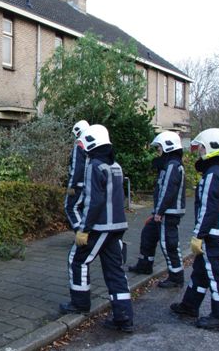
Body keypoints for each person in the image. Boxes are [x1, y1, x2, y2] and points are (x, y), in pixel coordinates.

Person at [59, 124, 134, 333]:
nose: (82, 149)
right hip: (117, 226)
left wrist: (84, 229)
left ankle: (80, 304)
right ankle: (124, 316)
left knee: (78, 260)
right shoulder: (115, 165)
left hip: (100, 227)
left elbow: (94, 200)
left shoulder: (94, 165)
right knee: (115, 271)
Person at [171, 128, 219, 331]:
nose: (199, 150)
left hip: (213, 233)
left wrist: (198, 235)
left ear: (212, 146)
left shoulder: (213, 174)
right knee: (201, 270)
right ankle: (189, 305)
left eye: (201, 147)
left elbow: (208, 209)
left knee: (218, 272)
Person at [129, 131, 186, 288]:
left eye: (159, 148)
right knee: (148, 233)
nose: (158, 151)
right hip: (163, 212)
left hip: (169, 213)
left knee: (169, 244)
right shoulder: (168, 165)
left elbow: (168, 191)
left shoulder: (172, 167)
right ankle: (145, 265)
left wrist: (159, 212)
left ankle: (176, 277)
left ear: (168, 147)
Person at [64, 120, 89, 231]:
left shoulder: (79, 146)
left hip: (78, 185)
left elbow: (76, 168)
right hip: (89, 184)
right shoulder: (91, 145)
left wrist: (71, 186)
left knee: (70, 207)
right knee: (84, 210)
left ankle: (81, 234)